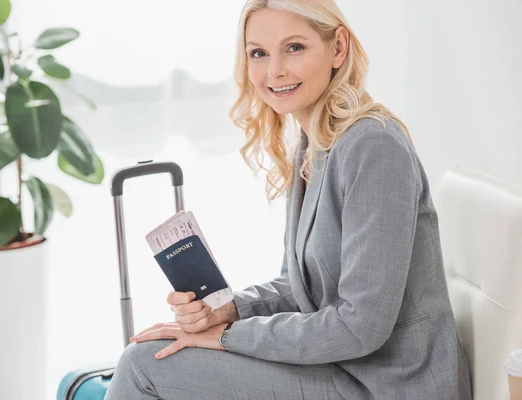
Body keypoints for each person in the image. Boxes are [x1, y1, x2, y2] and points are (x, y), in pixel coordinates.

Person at [105, 0, 473, 398]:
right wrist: (228, 310)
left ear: (338, 48)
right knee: (152, 351)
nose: (274, 70)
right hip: (340, 369)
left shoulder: (373, 146)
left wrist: (229, 335)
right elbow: (299, 289)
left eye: (294, 48)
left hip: (385, 385)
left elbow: (359, 326)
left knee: (144, 366)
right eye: (258, 53)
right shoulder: (313, 143)